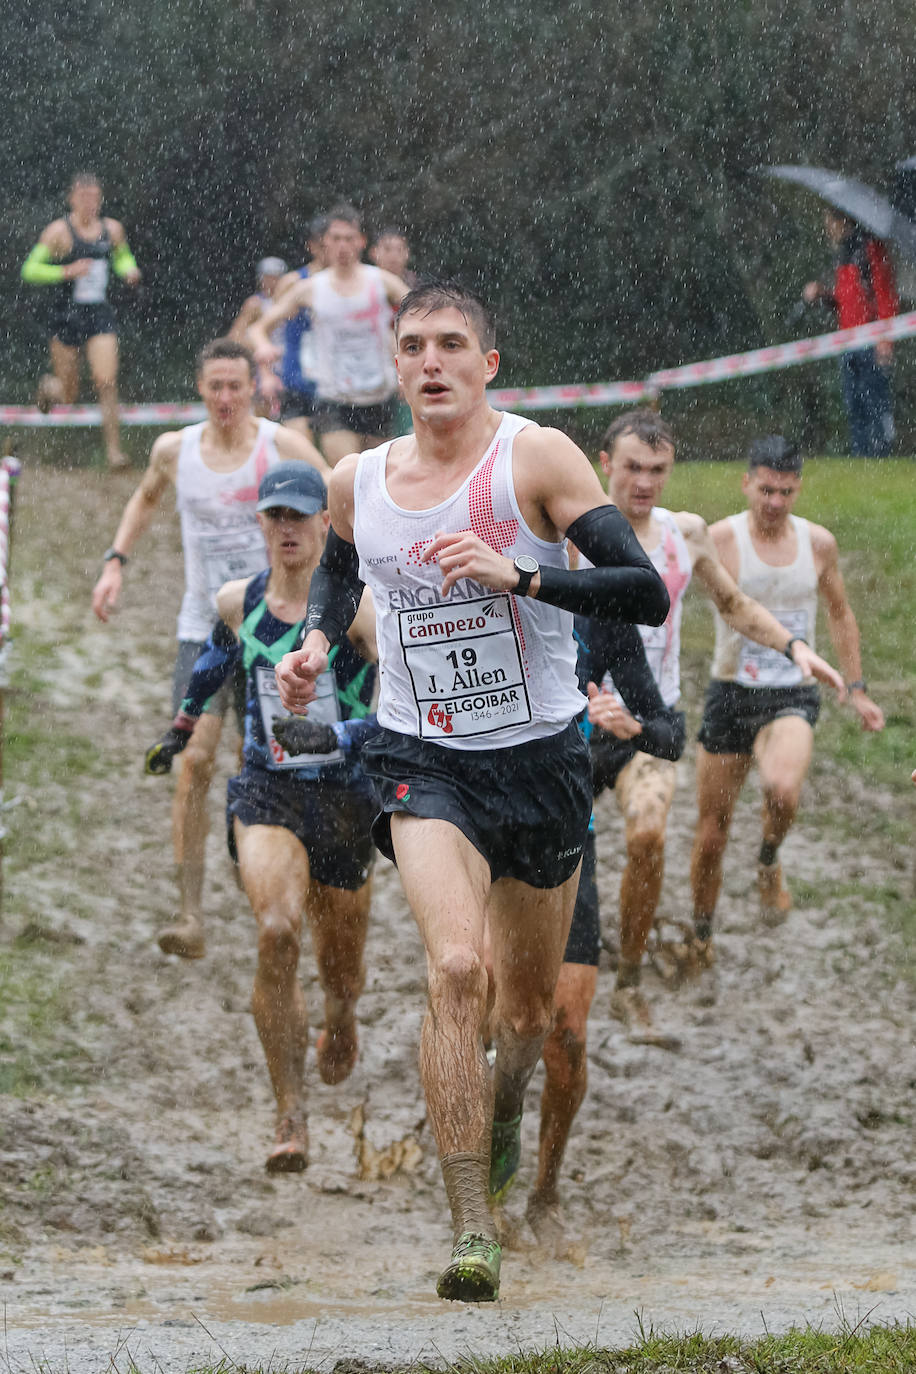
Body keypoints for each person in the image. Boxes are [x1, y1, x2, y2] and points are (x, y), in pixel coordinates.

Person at [274, 281, 671, 1302]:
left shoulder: (535, 458)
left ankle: (501, 1120)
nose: (432, 362)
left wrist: (522, 579)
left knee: (527, 1017)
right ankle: (470, 1227)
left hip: (540, 763)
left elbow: (643, 592)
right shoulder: (356, 478)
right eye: (413, 346)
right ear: (395, 366)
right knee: (456, 969)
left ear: (488, 364)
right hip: (424, 758)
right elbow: (340, 576)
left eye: (452, 344)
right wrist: (315, 642)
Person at [525, 414, 844, 1249]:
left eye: (657, 471)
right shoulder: (569, 533)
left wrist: (794, 648)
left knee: (647, 836)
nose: (643, 485)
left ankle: (629, 979)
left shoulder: (683, 535)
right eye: (632, 468)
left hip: (646, 722)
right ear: (606, 464)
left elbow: (732, 604)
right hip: (567, 723)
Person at [144, 463, 378, 1172]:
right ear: (261, 523)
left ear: (326, 524)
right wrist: (181, 727)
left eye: (300, 515)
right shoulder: (236, 602)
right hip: (266, 793)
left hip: (346, 803)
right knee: (276, 930)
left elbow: (402, 715)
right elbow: (214, 666)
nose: (287, 528)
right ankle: (290, 1112)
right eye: (275, 515)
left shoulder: (362, 614)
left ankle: (340, 1014)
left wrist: (336, 736)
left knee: (341, 967)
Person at [91, 339, 329, 959]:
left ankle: (274, 894)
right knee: (194, 760)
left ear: (254, 388)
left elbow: (336, 501)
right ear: (200, 389)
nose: (226, 398)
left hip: (271, 631)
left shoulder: (280, 446)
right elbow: (144, 498)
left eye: (235, 386)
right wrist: (115, 562)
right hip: (203, 626)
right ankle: (189, 914)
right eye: (215, 386)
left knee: (271, 763)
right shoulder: (175, 450)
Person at [688, 435, 884, 958]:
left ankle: (769, 858)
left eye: (786, 492)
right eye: (766, 490)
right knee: (711, 835)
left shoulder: (818, 543)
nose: (774, 502)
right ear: (746, 482)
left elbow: (839, 612)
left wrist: (857, 687)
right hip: (731, 691)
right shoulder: (719, 538)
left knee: (781, 790)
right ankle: (701, 934)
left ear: (799, 489)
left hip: (793, 693)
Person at [248, 204, 409, 467]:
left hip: (378, 395)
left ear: (361, 241)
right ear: (325, 243)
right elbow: (258, 327)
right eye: (336, 239)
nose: (343, 246)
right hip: (334, 399)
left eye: (349, 238)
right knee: (346, 472)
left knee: (379, 476)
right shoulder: (310, 288)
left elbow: (423, 317)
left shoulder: (382, 282)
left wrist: (408, 365)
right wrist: (264, 346)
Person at [21, 171, 141, 469]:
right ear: (72, 199)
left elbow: (122, 257)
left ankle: (114, 453)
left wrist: (129, 270)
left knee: (106, 381)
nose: (90, 203)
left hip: (99, 314)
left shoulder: (112, 230)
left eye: (95, 197)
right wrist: (65, 271)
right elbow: (30, 269)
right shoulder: (58, 232)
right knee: (68, 394)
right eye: (84, 197)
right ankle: (49, 387)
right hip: (66, 316)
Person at [803, 210, 898, 457]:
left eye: (830, 223)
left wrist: (885, 338)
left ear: (843, 221)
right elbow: (844, 303)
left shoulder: (870, 249)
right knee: (854, 404)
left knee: (876, 402)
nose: (828, 230)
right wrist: (822, 295)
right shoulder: (841, 254)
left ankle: (882, 455)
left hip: (871, 340)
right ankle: (861, 456)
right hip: (847, 342)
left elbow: (885, 293)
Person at [229, 256, 288, 416]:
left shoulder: (291, 302)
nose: (272, 282)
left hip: (288, 364)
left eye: (276, 277)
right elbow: (235, 338)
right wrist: (262, 346)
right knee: (263, 413)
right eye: (268, 277)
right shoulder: (255, 304)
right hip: (264, 366)